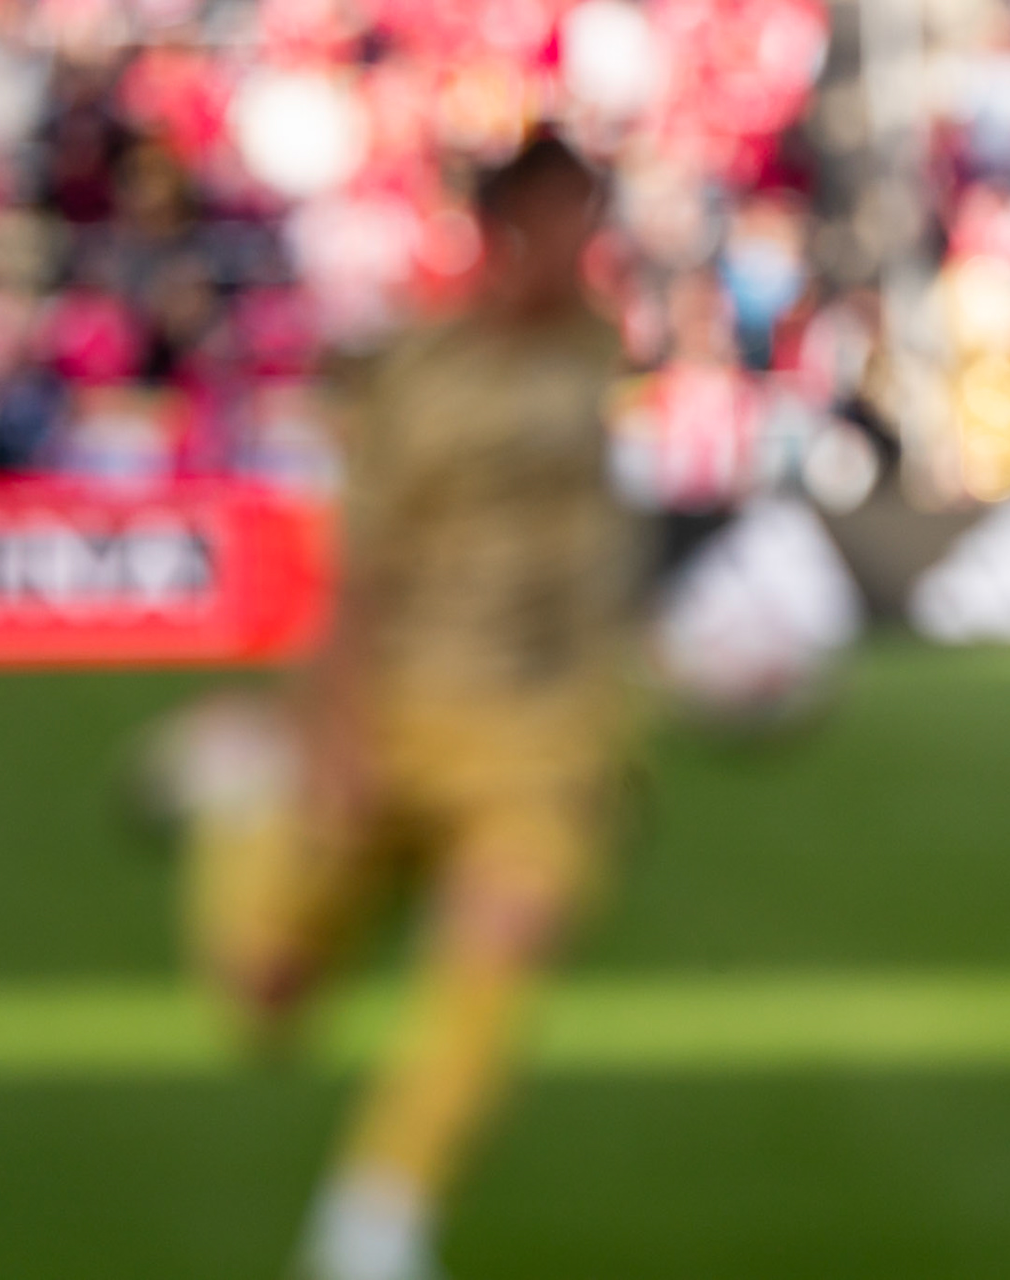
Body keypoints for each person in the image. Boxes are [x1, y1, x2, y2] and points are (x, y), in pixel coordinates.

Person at [181, 134, 635, 1280]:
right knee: (269, 997)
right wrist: (332, 734)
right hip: (396, 714)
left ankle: (374, 1221)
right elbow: (360, 572)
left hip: (541, 737)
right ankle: (237, 801)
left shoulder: (596, 347)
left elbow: (592, 547)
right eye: (567, 220)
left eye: (593, 217)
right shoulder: (419, 375)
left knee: (502, 938)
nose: (589, 244)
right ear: (505, 231)